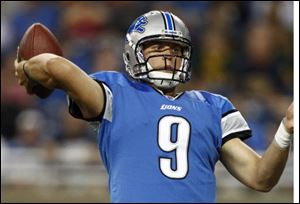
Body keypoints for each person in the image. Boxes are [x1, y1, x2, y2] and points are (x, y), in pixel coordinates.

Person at [14, 10, 294, 203]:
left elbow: (261, 178)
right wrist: (28, 66)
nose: (168, 56)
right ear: (133, 53)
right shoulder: (116, 94)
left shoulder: (212, 106)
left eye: (176, 50)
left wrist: (285, 129)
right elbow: (54, 65)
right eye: (157, 48)